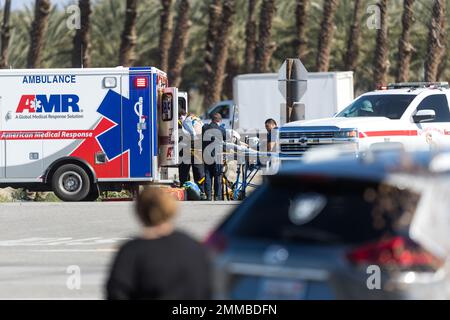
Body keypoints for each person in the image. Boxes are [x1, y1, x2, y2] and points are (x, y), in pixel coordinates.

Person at [106, 188, 211, 300]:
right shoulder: (193, 247)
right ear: (171, 209)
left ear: (139, 211)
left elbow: (116, 292)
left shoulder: (131, 252)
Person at [178, 105, 206, 196]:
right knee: (198, 171)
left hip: (191, 148)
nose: (180, 120)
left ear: (181, 116)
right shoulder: (196, 118)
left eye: (180, 117)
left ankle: (185, 190)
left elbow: (193, 134)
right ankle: (201, 191)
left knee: (184, 171)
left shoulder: (186, 121)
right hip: (200, 148)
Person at [202, 113, 226, 201]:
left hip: (206, 155)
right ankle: (217, 196)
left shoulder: (204, 128)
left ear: (212, 119)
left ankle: (208, 196)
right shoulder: (222, 129)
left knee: (208, 176)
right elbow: (225, 142)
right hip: (217, 156)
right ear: (219, 121)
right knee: (217, 176)